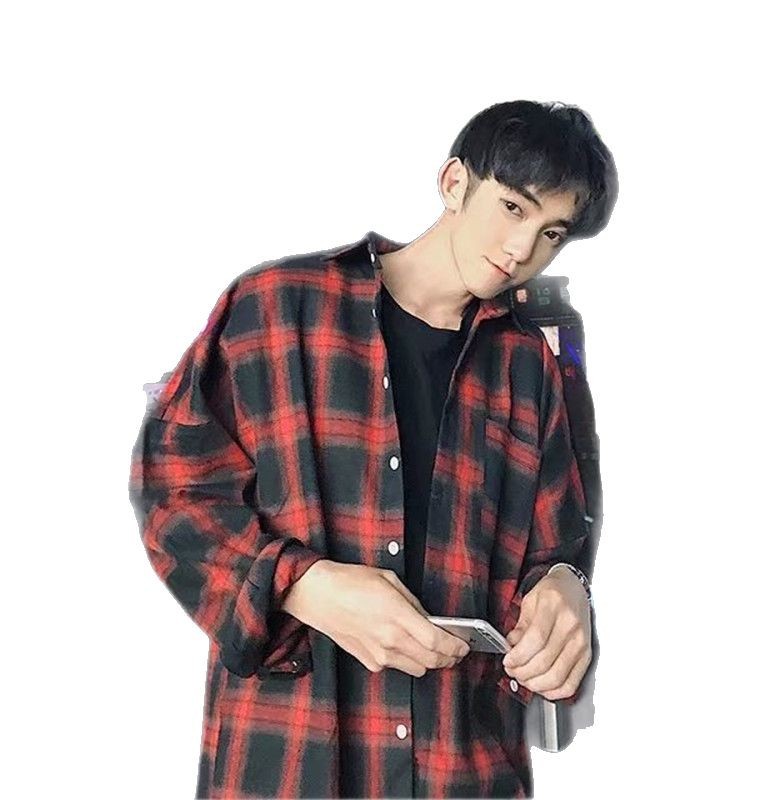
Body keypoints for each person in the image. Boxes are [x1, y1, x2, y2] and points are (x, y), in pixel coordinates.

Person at [128, 99, 617, 799]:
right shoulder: (277, 307)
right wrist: (303, 585)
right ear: (454, 183)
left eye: (551, 233)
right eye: (513, 208)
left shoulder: (529, 367)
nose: (522, 250)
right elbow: (175, 494)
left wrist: (565, 588)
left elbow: (555, 544)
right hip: (292, 759)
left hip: (462, 766)